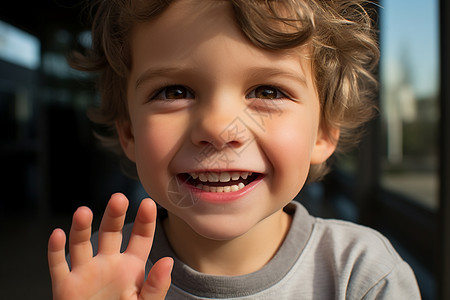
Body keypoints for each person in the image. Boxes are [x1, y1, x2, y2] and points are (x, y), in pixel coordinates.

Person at [47, 0, 422, 299]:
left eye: (267, 91)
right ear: (128, 131)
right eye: (175, 92)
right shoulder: (103, 269)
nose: (218, 128)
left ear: (323, 132)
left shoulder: (361, 275)